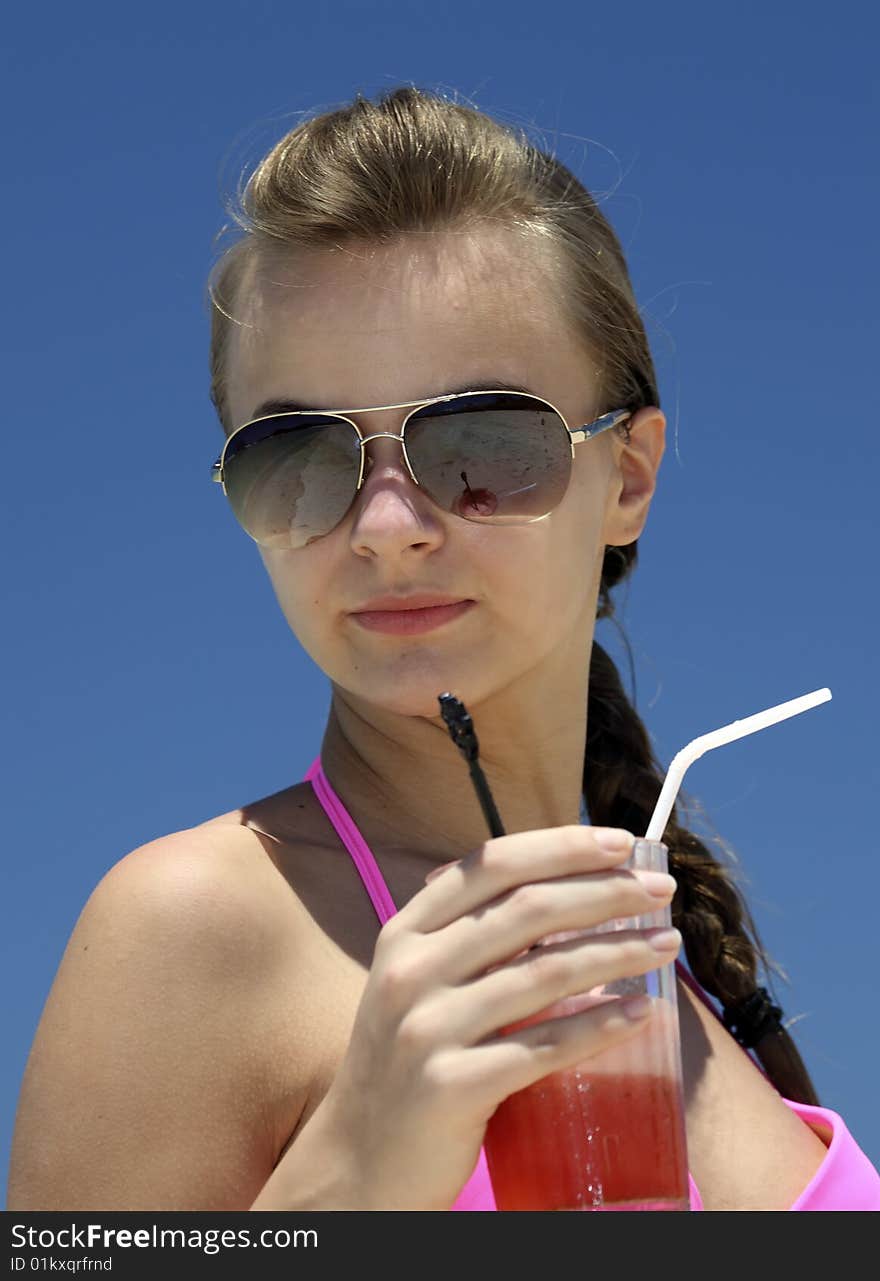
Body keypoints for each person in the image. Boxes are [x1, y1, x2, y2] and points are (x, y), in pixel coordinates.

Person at [7, 86, 879, 1213]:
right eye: (298, 456)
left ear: (628, 477)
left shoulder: (686, 972)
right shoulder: (194, 933)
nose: (385, 526)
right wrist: (352, 1174)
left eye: (478, 446)